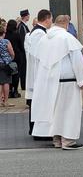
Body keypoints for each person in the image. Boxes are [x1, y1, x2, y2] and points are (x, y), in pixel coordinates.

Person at [31, 15, 83, 150]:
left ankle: (57, 139)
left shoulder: (44, 39)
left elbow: (39, 61)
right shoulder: (67, 38)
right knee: (69, 110)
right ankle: (68, 140)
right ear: (67, 24)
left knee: (55, 111)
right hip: (67, 80)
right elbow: (77, 60)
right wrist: (82, 79)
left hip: (49, 81)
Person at [25, 9, 53, 137]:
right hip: (37, 73)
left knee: (37, 102)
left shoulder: (37, 31)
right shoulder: (39, 34)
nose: (51, 22)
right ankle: (36, 131)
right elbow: (40, 54)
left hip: (37, 72)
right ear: (46, 19)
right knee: (37, 102)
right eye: (51, 19)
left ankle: (37, 130)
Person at [5, 19, 25, 98]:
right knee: (16, 74)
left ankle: (9, 91)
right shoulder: (17, 34)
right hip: (17, 56)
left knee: (9, 74)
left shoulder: (5, 35)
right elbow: (21, 46)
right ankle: (15, 90)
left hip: (7, 57)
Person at [0, 24, 15, 107]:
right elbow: (12, 52)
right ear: (3, 33)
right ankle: (5, 101)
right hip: (6, 64)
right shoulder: (6, 41)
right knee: (6, 82)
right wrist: (11, 59)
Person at [18, 9, 30, 90]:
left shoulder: (23, 25)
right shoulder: (22, 26)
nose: (29, 16)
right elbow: (22, 40)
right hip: (23, 52)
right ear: (26, 16)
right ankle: (24, 85)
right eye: (28, 15)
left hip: (23, 51)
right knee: (23, 69)